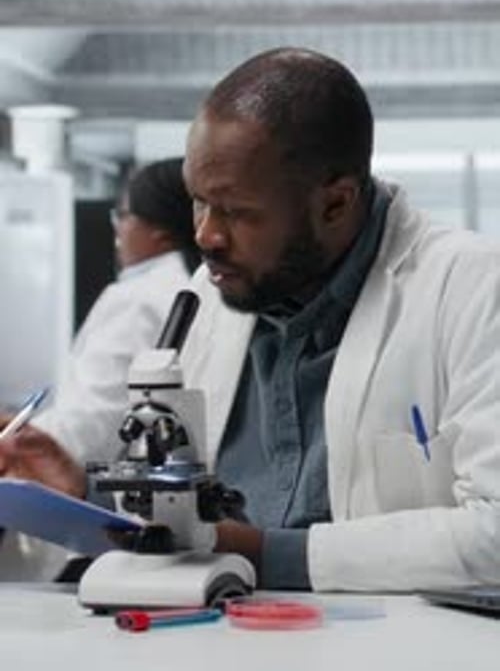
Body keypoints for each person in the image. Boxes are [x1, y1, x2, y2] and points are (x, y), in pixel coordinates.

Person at [1, 48, 500, 594]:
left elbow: (492, 531)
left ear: (336, 204)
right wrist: (79, 491)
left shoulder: (471, 288)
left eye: (237, 212)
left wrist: (268, 554)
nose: (206, 237)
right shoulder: (211, 296)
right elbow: (191, 509)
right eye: (197, 203)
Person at [33, 156, 200, 466]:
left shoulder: (138, 298)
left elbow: (89, 426)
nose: (118, 231)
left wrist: (21, 441)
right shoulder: (194, 287)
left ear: (158, 231)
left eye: (122, 215)